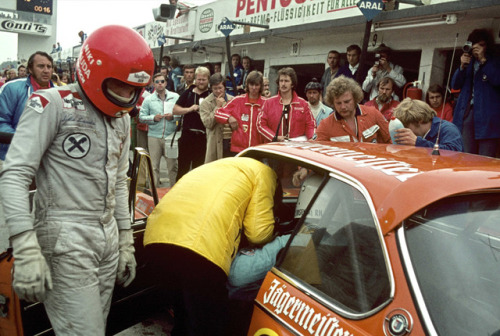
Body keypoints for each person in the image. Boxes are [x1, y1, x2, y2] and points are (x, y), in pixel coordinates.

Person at [0, 25, 154, 335]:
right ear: (94, 73)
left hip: (107, 236)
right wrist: (26, 246)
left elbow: (121, 180)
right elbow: (14, 175)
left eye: (132, 90)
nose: (126, 97)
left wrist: (125, 240)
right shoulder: (50, 104)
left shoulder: (122, 119)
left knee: (95, 327)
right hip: (64, 239)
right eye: (119, 87)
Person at [144, 157, 277, 336]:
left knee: (183, 317)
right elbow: (258, 232)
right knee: (207, 325)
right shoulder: (265, 173)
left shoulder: (223, 165)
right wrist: (277, 232)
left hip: (157, 238)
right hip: (199, 250)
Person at [0, 51, 55, 169]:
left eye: (49, 66)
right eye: (41, 66)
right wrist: (24, 141)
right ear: (30, 69)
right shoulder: (11, 88)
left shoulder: (61, 93)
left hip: (50, 163)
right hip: (14, 158)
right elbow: (2, 122)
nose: (46, 70)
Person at [451, 28, 500, 157]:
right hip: (468, 113)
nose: (477, 48)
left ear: (487, 46)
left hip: (488, 117)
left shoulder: (495, 61)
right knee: (467, 155)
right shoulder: (469, 62)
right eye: (475, 45)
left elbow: (497, 80)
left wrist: (483, 60)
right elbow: (454, 85)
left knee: (485, 157)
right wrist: (461, 67)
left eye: (482, 45)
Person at [316, 75, 391, 143]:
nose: (343, 107)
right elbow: (316, 151)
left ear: (355, 98)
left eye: (347, 102)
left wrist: (402, 136)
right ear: (332, 103)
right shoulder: (325, 125)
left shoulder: (373, 114)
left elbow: (391, 140)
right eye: (338, 103)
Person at [139, 73, 180, 187]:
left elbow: (181, 115)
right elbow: (141, 117)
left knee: (173, 166)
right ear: (153, 84)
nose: (160, 84)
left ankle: (174, 190)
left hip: (171, 137)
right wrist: (153, 118)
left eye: (162, 81)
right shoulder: (148, 100)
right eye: (157, 82)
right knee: (153, 166)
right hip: (154, 136)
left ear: (166, 83)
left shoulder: (175, 97)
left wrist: (173, 118)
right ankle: (154, 193)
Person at [257, 67, 315, 142]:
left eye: (286, 81)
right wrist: (275, 137)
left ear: (292, 84)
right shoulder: (268, 103)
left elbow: (311, 125)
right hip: (274, 147)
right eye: (281, 81)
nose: (283, 84)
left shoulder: (303, 104)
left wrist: (312, 138)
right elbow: (260, 125)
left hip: (296, 148)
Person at [173, 66, 211, 181]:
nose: (201, 82)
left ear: (208, 80)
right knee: (182, 168)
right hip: (187, 135)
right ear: (195, 79)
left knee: (198, 170)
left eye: (203, 79)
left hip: (203, 137)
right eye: (199, 79)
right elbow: (175, 110)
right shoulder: (188, 92)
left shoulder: (211, 95)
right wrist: (189, 109)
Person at [215, 70, 266, 155]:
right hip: (237, 150)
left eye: (256, 85)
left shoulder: (266, 103)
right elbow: (218, 113)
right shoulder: (237, 100)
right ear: (247, 85)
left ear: (260, 86)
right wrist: (229, 118)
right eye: (251, 84)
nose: (253, 88)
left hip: (258, 150)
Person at [393, 98, 464, 151]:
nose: (405, 129)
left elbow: (454, 153)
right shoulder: (420, 135)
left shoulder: (448, 129)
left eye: (406, 125)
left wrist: (419, 142)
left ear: (419, 120)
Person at [200, 73, 233, 163]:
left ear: (224, 87)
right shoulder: (206, 103)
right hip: (216, 141)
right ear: (211, 88)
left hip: (231, 140)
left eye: (220, 88)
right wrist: (217, 107)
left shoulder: (232, 100)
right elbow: (208, 123)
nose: (218, 91)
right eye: (215, 89)